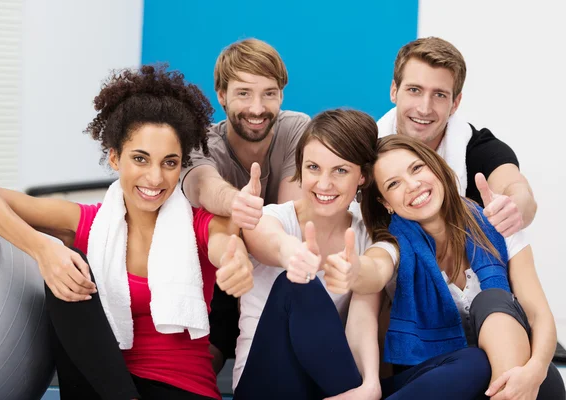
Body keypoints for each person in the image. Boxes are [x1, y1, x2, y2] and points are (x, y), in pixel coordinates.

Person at [0, 65, 254, 400]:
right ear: (115, 158)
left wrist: (235, 261)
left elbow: (223, 242)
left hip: (180, 387)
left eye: (169, 162)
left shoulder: (199, 224)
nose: (155, 178)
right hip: (101, 386)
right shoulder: (85, 222)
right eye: (141, 159)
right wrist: (42, 249)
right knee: (70, 263)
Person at [360, 135, 564, 399]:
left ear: (435, 166)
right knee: (475, 363)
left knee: (548, 380)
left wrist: (534, 371)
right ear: (386, 203)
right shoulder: (394, 246)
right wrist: (354, 271)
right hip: (442, 378)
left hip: (500, 372)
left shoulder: (498, 222)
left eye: (417, 168)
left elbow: (538, 315)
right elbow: (375, 268)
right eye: (394, 184)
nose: (412, 185)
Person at [233, 109, 399, 399]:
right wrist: (292, 253)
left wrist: (371, 385)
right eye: (313, 167)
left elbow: (365, 313)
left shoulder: (367, 236)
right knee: (295, 284)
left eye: (341, 170)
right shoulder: (273, 218)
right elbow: (266, 237)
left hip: (327, 387)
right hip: (263, 384)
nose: (324, 183)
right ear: (299, 167)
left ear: (362, 176)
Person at [180, 38, 310, 371]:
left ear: (281, 94)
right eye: (243, 93)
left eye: (269, 93)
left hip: (279, 268)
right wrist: (235, 202)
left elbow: (291, 219)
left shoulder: (297, 129)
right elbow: (202, 184)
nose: (256, 108)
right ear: (221, 95)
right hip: (219, 275)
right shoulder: (200, 140)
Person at [377, 36, 536, 238]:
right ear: (394, 91)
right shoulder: (363, 150)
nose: (424, 108)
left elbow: (518, 190)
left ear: (455, 103)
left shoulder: (480, 149)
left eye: (439, 95)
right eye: (414, 90)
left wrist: (513, 208)